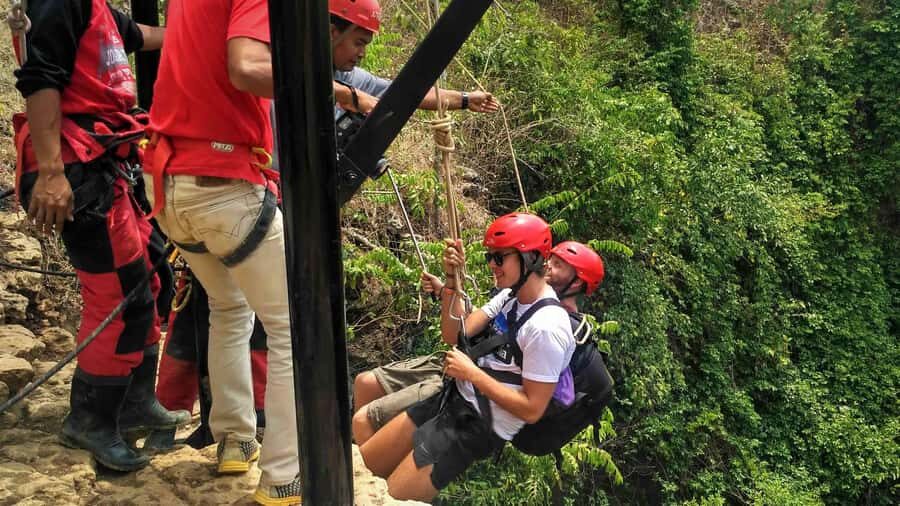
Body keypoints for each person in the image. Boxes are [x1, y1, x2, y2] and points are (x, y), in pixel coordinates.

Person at [11, 0, 188, 472]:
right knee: (117, 293)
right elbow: (40, 77)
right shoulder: (57, 2)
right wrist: (51, 172)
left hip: (107, 163)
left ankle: (133, 403)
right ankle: (90, 419)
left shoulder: (94, 8)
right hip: (74, 166)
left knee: (149, 279)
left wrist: (200, 34)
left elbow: (141, 35)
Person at [141, 0, 300, 503]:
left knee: (230, 307)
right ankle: (284, 477)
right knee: (293, 327)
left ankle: (235, 438)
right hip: (223, 183)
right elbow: (249, 67)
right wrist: (322, 82)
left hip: (167, 183)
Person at [359, 213, 575, 501]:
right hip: (452, 398)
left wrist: (472, 373)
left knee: (391, 498)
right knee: (364, 464)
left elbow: (532, 409)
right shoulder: (510, 296)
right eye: (489, 256)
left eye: (499, 258)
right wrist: (451, 280)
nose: (491, 265)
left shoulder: (546, 328)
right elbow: (455, 334)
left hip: (473, 424)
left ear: (531, 258)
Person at [352, 240, 605, 444]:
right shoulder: (516, 296)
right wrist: (447, 290)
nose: (548, 266)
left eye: (559, 265)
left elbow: (527, 391)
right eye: (550, 260)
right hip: (459, 365)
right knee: (365, 383)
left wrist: (471, 375)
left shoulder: (559, 327)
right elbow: (480, 326)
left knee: (368, 422)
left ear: (578, 282)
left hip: (475, 392)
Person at [329, 0, 500, 117]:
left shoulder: (348, 78)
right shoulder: (305, 68)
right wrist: (348, 96)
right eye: (358, 43)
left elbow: (402, 93)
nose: (362, 53)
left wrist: (465, 99)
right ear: (332, 33)